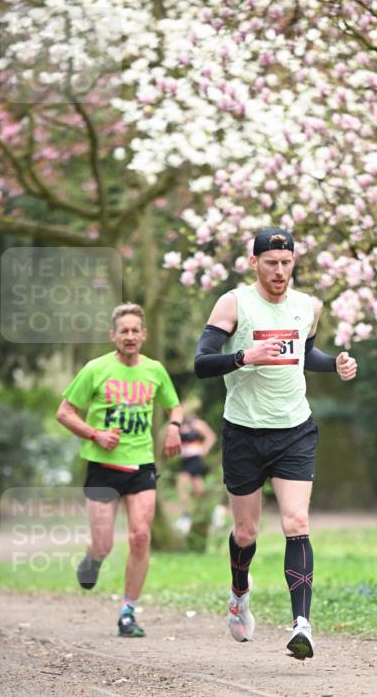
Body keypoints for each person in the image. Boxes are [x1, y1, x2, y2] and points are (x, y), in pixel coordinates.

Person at [194, 227, 357, 659]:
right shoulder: (234, 303)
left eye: (286, 263)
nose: (280, 271)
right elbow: (201, 362)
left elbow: (305, 354)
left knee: (296, 523)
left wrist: (334, 363)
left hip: (294, 430)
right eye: (271, 263)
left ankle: (301, 625)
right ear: (254, 263)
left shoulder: (308, 306)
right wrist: (244, 356)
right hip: (243, 432)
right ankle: (239, 592)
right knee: (246, 532)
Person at [56, 302, 182, 637]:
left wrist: (174, 426)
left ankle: (128, 612)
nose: (129, 336)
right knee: (104, 544)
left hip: (141, 465)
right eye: (123, 331)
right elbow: (65, 412)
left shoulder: (155, 370)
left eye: (134, 330)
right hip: (103, 467)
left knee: (141, 536)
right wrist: (95, 434)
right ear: (113, 335)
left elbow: (174, 404)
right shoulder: (95, 369)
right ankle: (93, 558)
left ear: (144, 335)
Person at [175, 400, 216, 531]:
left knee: (182, 485)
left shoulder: (197, 424)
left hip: (195, 459)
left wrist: (204, 450)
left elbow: (211, 436)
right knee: (199, 489)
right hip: (185, 460)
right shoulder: (180, 425)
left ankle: (187, 516)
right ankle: (210, 512)